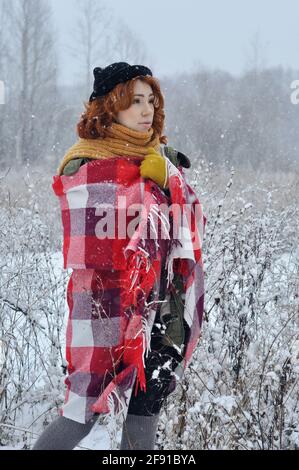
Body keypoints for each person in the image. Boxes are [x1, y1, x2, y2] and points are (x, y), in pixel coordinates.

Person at [32, 62, 206, 451]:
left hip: (164, 305)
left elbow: (193, 225)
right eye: (135, 102)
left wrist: (169, 179)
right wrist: (148, 188)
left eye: (151, 101)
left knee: (149, 401)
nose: (147, 112)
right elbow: (100, 233)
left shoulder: (162, 159)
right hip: (105, 306)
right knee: (81, 411)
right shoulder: (84, 163)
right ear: (110, 108)